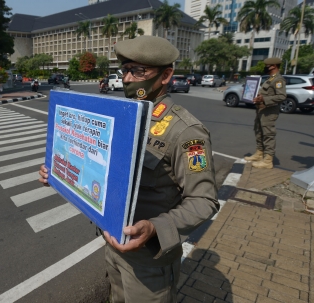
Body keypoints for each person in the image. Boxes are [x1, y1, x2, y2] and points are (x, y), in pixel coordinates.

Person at [38, 36, 219, 302]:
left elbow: (204, 200)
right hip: (113, 245)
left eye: (138, 71)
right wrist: (57, 171)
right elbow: (95, 163)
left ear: (166, 75)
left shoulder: (186, 132)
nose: (127, 78)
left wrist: (156, 227)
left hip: (150, 260)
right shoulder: (121, 118)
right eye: (125, 70)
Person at [244, 57, 286, 169]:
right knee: (258, 131)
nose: (265, 67)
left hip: (269, 111)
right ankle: (259, 153)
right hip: (261, 109)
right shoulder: (270, 79)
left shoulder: (278, 80)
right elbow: (267, 93)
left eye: (267, 65)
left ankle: (268, 160)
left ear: (273, 66)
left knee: (268, 134)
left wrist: (264, 99)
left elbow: (281, 96)